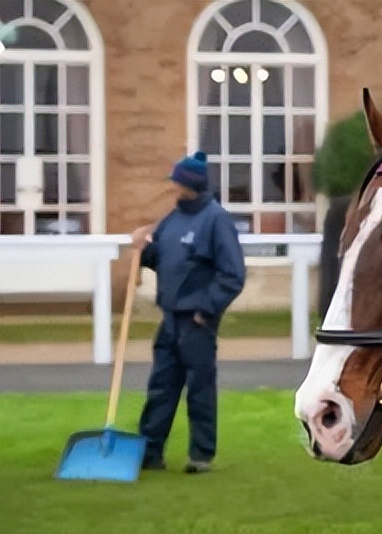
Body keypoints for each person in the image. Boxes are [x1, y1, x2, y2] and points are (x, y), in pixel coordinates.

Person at [132, 150, 246, 474]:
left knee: (199, 391)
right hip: (169, 319)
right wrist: (145, 250)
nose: (173, 187)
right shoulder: (172, 218)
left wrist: (205, 310)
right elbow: (162, 257)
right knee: (160, 388)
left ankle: (201, 455)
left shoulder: (216, 220)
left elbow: (232, 274)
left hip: (196, 322)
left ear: (190, 183)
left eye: (177, 182)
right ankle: (150, 452)